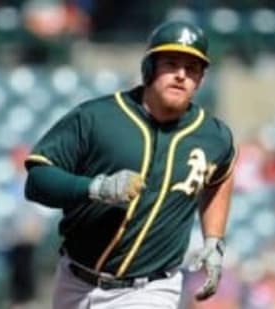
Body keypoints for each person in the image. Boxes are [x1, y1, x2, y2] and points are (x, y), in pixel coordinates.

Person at [24, 20, 235, 309]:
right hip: (75, 281)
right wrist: (96, 187)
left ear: (200, 79)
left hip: (150, 288)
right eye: (171, 64)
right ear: (149, 68)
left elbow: (221, 174)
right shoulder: (97, 117)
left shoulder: (213, 136)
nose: (181, 75)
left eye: (192, 69)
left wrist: (214, 240)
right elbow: (37, 180)